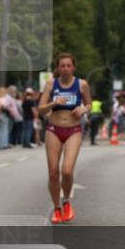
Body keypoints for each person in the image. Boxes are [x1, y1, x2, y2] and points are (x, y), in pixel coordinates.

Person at [37, 53, 91, 223]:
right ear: (58, 68)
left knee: (66, 171)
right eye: (62, 66)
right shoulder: (51, 84)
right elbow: (41, 109)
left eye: (69, 66)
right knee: (53, 173)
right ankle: (57, 208)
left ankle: (66, 201)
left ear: (73, 67)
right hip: (53, 129)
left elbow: (89, 103)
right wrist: (54, 102)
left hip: (73, 130)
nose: (66, 69)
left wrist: (83, 109)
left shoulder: (82, 84)